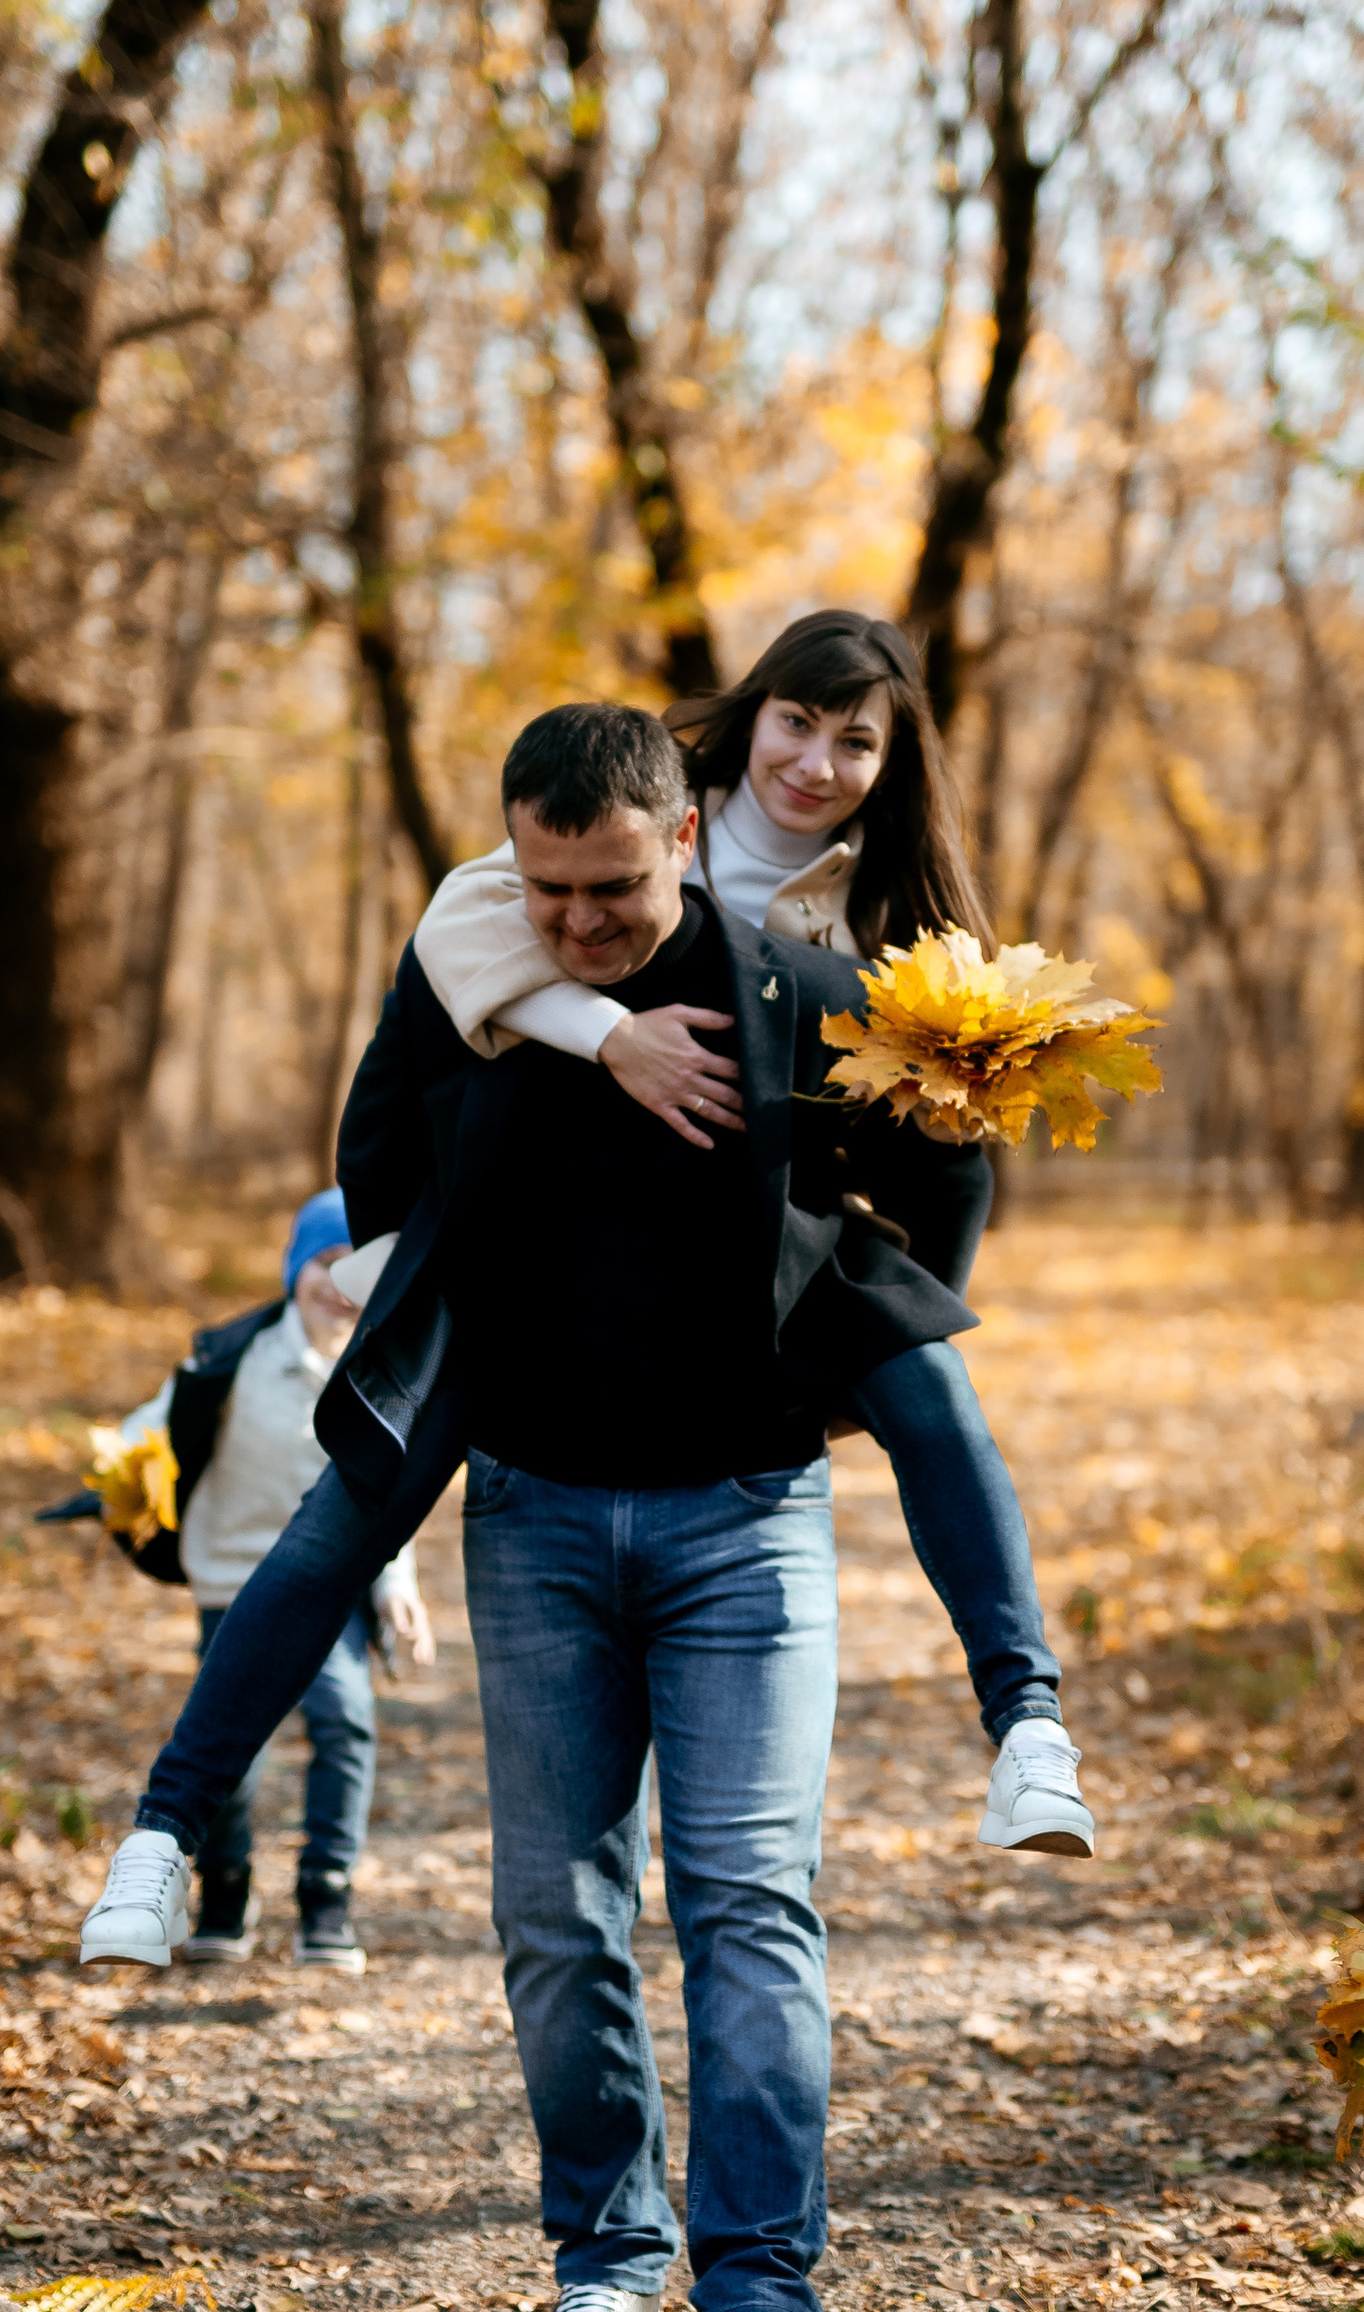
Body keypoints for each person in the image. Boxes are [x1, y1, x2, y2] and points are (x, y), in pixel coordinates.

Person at [82, 703, 996, 2312]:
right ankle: (604, 2256)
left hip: (747, 1517)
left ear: (684, 835)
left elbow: (921, 1219)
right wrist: (440, 1201)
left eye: (614, 887)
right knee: (555, 1915)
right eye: (549, 884)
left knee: (748, 1906)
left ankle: (763, 2299)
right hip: (539, 1514)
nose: (579, 918)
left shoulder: (785, 983)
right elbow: (375, 1155)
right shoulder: (472, 979)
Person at [410, 610, 1084, 1857]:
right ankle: (178, 1816)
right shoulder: (630, 811)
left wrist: (885, 1331)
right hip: (583, 1245)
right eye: (796, 722)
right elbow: (455, 931)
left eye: (856, 742)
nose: (815, 763)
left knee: (932, 1381)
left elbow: (949, 1154)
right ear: (751, 713)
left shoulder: (896, 917)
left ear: (894, 766)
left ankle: (1029, 1727)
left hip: (776, 1248)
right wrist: (609, 1033)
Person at [94, 1189, 432, 1971]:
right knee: (230, 1750)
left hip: (331, 1590)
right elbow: (154, 1426)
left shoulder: (377, 1372)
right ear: (293, 1270)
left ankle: (326, 1896)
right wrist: (122, 1470)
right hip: (234, 1587)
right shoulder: (234, 1358)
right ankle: (226, 1893)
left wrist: (394, 1586)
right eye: (323, 1264)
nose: (337, 1284)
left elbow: (386, 1488)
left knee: (345, 1722)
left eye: (356, 1269)